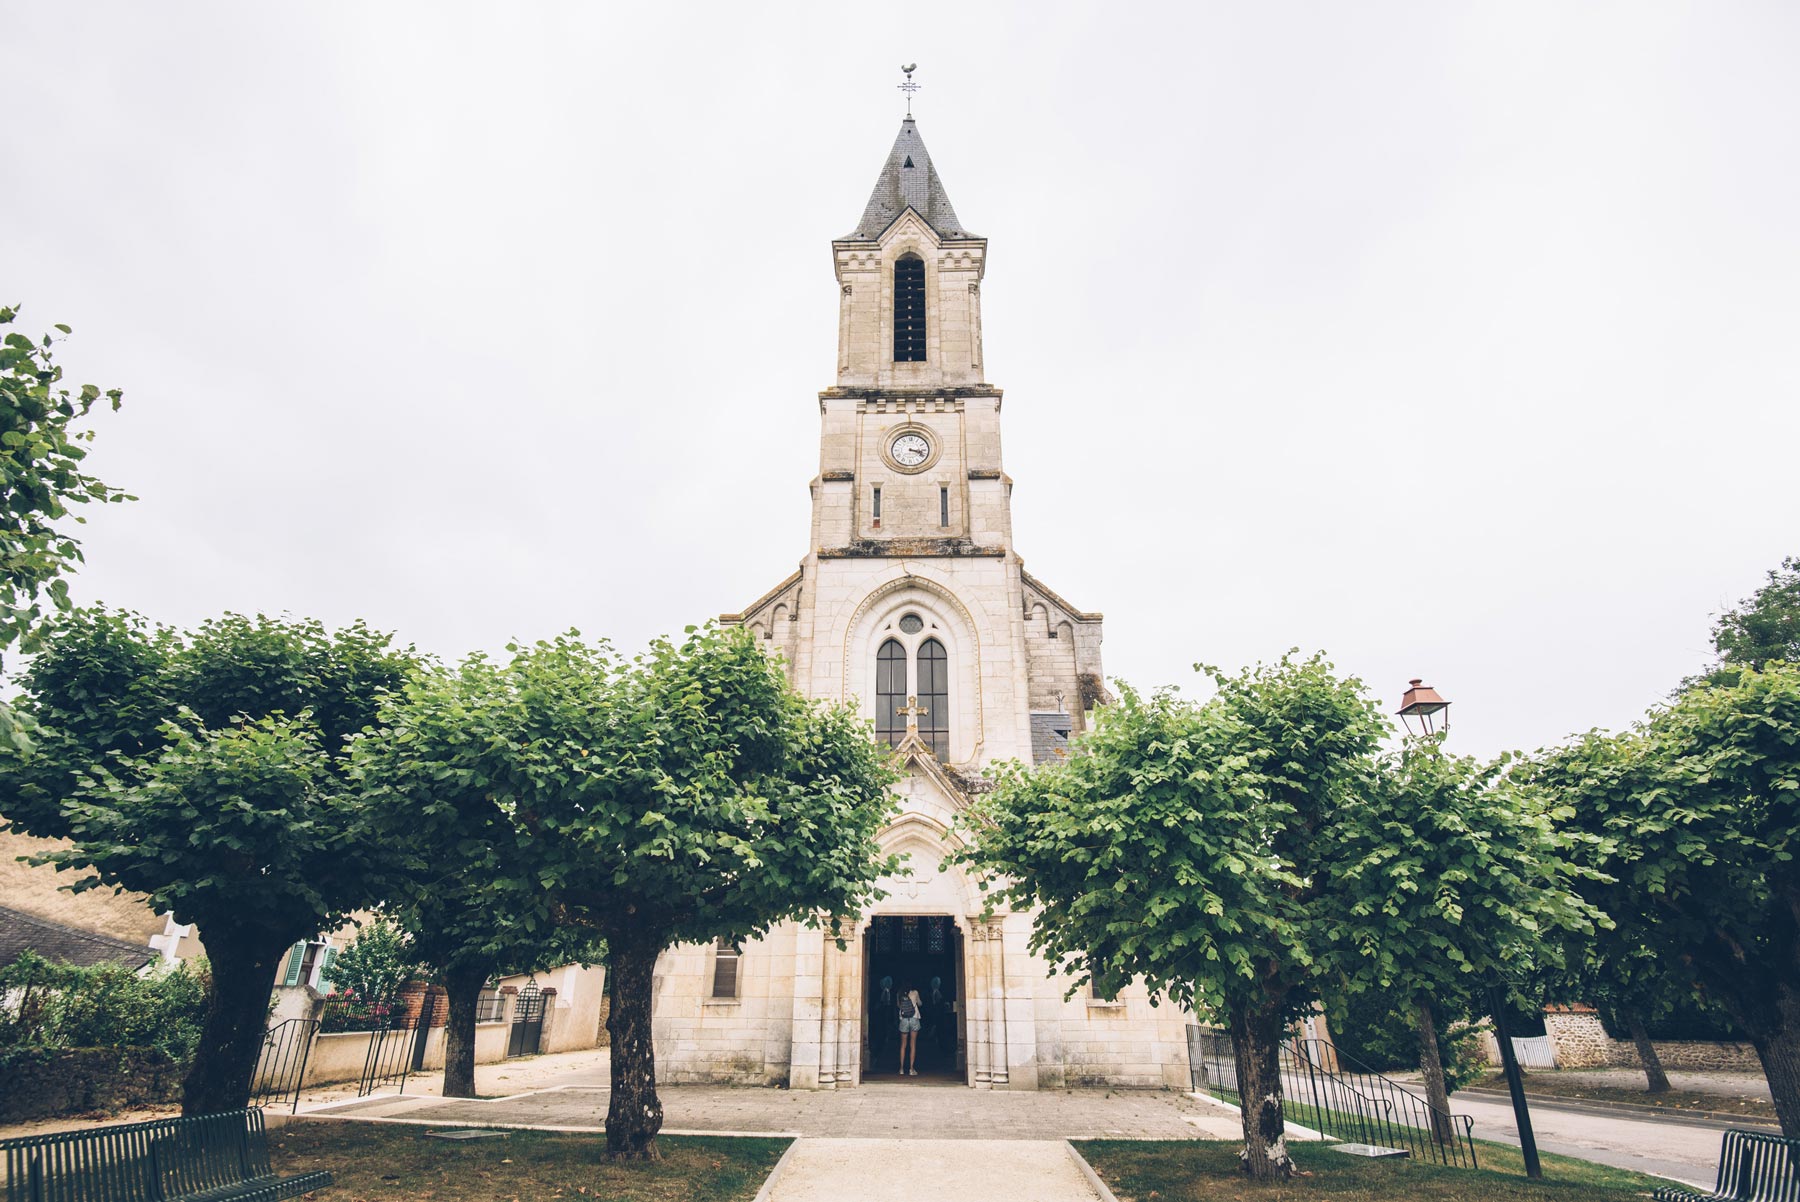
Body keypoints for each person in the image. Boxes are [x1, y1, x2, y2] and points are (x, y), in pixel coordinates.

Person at [897, 984, 922, 1076]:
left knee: (903, 1045)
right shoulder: (915, 992)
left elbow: (898, 1006)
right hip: (914, 1018)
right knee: (913, 1045)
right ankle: (911, 1069)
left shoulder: (899, 994)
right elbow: (919, 1003)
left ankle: (901, 1069)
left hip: (903, 1019)